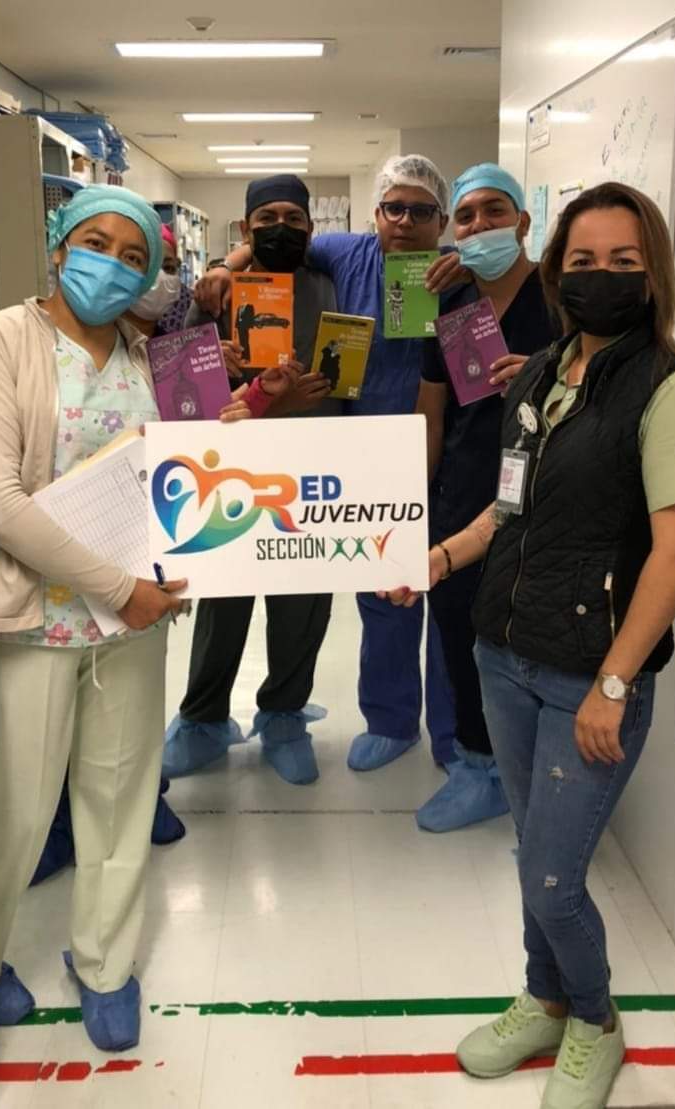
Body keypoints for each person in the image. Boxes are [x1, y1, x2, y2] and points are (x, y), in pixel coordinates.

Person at [383, 181, 675, 1109]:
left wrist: (614, 682)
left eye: (623, 261)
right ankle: (544, 996)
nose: (600, 276)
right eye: (583, 261)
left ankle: (596, 1020)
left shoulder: (671, 388)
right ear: (558, 270)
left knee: (551, 874)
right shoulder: (538, 373)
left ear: (653, 274)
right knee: (533, 847)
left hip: (589, 675)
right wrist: (439, 559)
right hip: (505, 654)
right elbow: (507, 508)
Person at [0, 184, 189, 1053]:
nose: (111, 266)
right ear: (58, 246)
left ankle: (106, 965)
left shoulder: (151, 357)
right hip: (35, 621)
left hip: (132, 625)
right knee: (14, 810)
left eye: (134, 257)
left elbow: (183, 473)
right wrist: (116, 587)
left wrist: (243, 421)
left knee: (119, 800)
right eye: (96, 243)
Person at [197, 154, 458, 773]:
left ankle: (457, 739)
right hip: (358, 455)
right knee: (383, 591)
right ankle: (392, 721)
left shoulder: (456, 275)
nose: (405, 221)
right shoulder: (347, 254)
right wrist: (223, 265)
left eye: (421, 211)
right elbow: (275, 241)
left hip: (443, 448)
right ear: (376, 214)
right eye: (394, 208)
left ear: (441, 221)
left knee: (448, 597)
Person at [163, 174, 339, 786]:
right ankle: (203, 719)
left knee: (303, 603)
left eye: (294, 218)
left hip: (310, 468)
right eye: (266, 219)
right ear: (245, 228)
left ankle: (284, 717)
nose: (280, 229)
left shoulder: (330, 285)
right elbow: (183, 389)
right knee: (223, 601)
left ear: (311, 229)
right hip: (228, 472)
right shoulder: (215, 295)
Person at [415, 164, 559, 834]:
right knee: (457, 625)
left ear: (523, 222)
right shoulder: (451, 308)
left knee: (527, 633)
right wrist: (417, 503)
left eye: (494, 211)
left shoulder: (560, 300)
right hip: (464, 488)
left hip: (546, 495)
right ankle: (479, 765)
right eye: (466, 216)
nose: (480, 226)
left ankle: (531, 773)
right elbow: (432, 416)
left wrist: (541, 378)